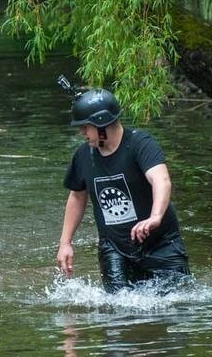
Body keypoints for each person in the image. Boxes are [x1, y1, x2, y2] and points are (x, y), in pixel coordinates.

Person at [55, 86, 191, 293]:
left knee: (176, 305)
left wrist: (155, 217)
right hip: (115, 248)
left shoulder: (141, 144)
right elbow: (77, 196)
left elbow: (161, 180)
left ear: (101, 124)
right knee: (118, 311)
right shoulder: (83, 155)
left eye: (85, 126)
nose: (81, 132)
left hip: (161, 243)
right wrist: (65, 243)